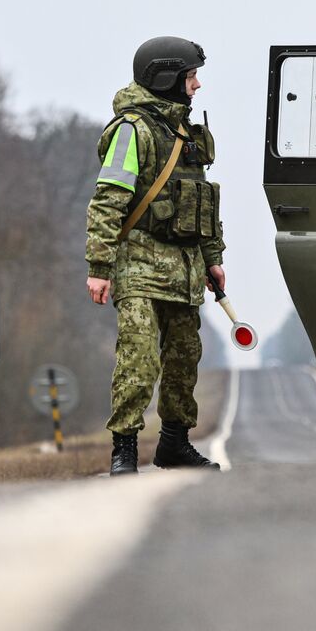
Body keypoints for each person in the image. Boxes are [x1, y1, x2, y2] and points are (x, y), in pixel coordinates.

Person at [85, 35, 226, 474]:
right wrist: (100, 266)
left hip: (185, 269)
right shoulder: (132, 131)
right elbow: (108, 200)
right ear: (166, 78)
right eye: (190, 76)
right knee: (138, 356)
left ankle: (174, 444)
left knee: (184, 358)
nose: (197, 85)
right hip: (139, 266)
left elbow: (201, 202)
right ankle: (124, 447)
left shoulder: (186, 133)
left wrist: (213, 258)